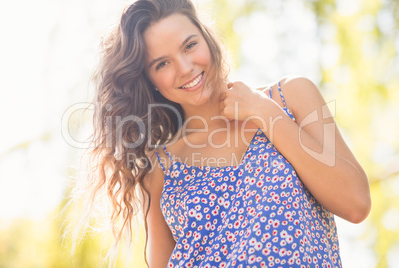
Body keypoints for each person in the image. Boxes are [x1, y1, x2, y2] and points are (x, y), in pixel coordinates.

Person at [85, 0, 371, 267]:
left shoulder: (290, 98)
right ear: (150, 80)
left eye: (189, 45)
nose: (185, 68)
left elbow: (355, 203)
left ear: (207, 38)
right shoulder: (160, 168)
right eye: (162, 63)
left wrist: (265, 113)